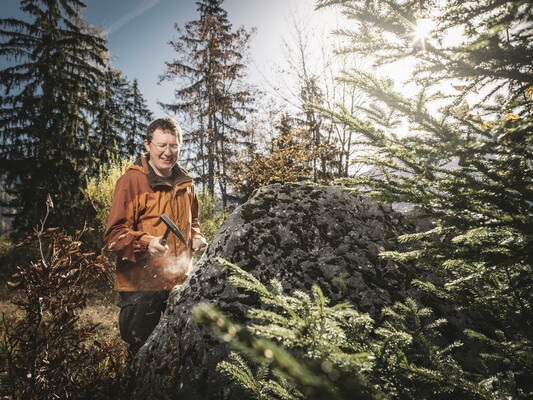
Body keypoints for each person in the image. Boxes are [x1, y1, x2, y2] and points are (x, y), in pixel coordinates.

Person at [104, 116, 207, 355]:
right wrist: (146, 243)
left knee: (178, 353)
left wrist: (197, 238)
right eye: (162, 145)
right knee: (142, 353)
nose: (168, 152)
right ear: (148, 145)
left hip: (179, 284)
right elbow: (113, 236)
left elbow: (194, 222)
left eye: (174, 146)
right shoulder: (132, 181)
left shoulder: (186, 184)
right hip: (142, 286)